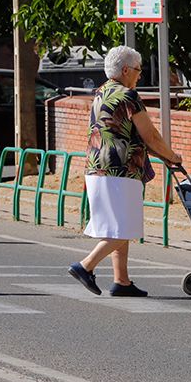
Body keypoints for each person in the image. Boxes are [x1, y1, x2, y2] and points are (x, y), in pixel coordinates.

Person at [68, 45, 182, 297]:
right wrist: (171, 156)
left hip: (97, 167)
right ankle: (85, 266)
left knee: (117, 226)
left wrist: (160, 155)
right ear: (126, 69)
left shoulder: (101, 92)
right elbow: (149, 134)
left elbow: (120, 131)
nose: (140, 75)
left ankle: (122, 281)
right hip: (121, 169)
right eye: (138, 70)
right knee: (125, 228)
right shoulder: (128, 96)